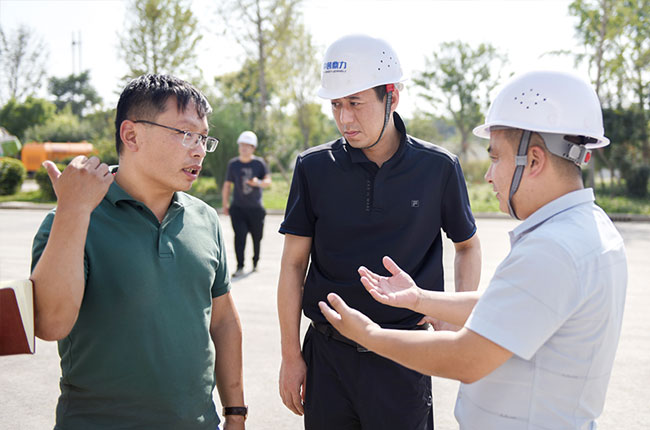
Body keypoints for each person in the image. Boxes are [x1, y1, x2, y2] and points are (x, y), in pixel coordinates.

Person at [319, 70, 628, 429]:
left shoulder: (552, 249)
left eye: (496, 158)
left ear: (535, 160)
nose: (488, 175)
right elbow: (509, 305)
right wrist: (419, 299)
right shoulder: (587, 228)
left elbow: (466, 357)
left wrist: (369, 336)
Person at [277, 34, 481, 429]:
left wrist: (452, 316)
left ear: (392, 97)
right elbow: (292, 267)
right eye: (336, 105)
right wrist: (290, 356)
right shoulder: (313, 167)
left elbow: (467, 246)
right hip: (328, 357)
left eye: (355, 103)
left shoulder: (438, 168)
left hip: (404, 356)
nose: (344, 119)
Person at [30, 74, 247, 430]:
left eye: (203, 138)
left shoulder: (205, 219)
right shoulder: (71, 218)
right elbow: (50, 324)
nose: (198, 150)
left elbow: (222, 322)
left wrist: (235, 413)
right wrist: (73, 210)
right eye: (186, 134)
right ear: (131, 135)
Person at [222, 131, 271, 277]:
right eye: (241, 145)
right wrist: (225, 204)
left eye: (247, 145)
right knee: (240, 237)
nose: (243, 148)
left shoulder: (259, 163)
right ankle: (240, 266)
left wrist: (258, 182)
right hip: (238, 208)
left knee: (257, 237)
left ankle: (255, 263)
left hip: (256, 209)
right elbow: (227, 185)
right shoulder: (233, 164)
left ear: (253, 148)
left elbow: (268, 181)